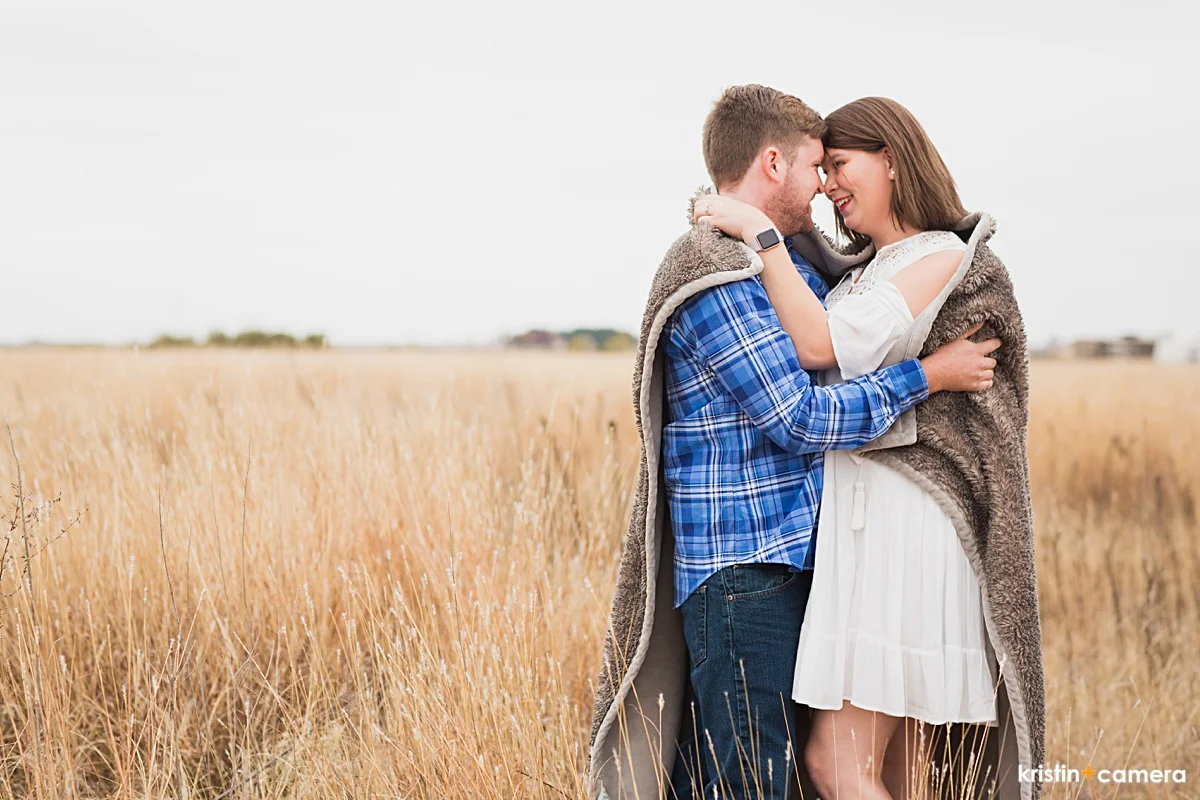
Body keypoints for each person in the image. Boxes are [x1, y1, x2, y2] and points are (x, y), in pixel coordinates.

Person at [657, 86, 997, 800]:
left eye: (839, 166)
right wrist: (927, 376)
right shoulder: (717, 273)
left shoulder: (798, 266)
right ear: (774, 162)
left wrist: (766, 234)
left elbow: (839, 319)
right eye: (820, 165)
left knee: (843, 770)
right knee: (755, 776)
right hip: (741, 568)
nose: (825, 185)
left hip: (812, 558)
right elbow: (801, 418)